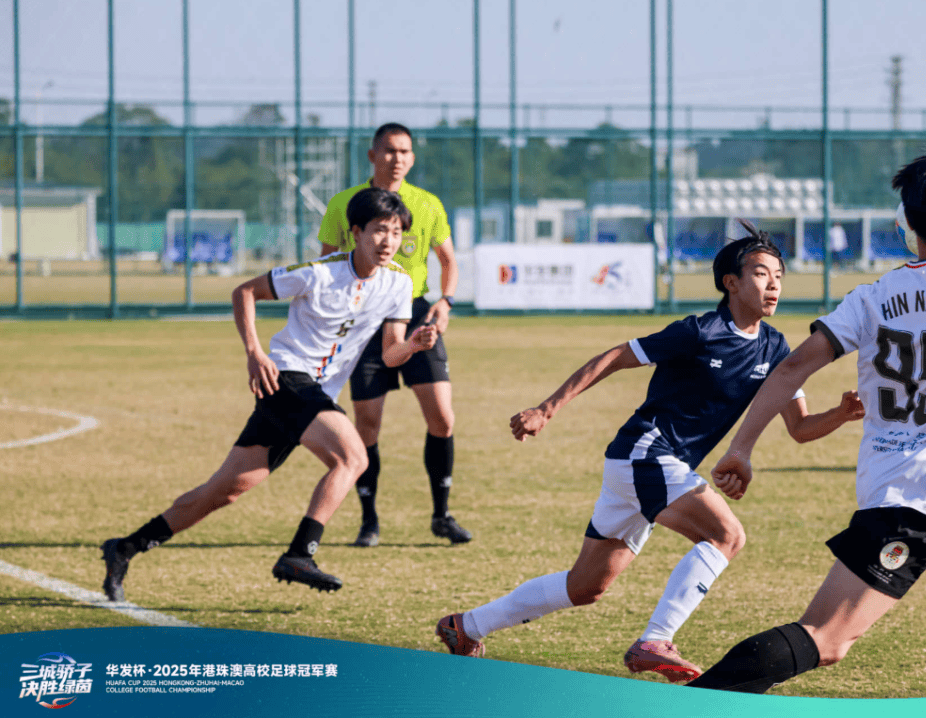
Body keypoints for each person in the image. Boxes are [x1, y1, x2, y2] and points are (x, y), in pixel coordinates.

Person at [688, 146, 926, 694]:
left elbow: (792, 367)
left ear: (907, 222)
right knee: (825, 639)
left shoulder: (873, 295)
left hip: (924, 491)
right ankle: (693, 704)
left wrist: (742, 448)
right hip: (918, 502)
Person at [435, 223, 865, 682]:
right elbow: (616, 356)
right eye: (761, 274)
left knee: (585, 586)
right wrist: (547, 408)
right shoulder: (699, 331)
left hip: (649, 467)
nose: (774, 284)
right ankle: (655, 641)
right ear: (731, 283)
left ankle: (465, 626)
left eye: (778, 275)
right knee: (726, 536)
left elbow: (800, 428)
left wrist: (841, 414)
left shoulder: (776, 346)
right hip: (644, 452)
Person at [100, 188, 437, 601]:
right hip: (286, 378)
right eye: (379, 230)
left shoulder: (399, 283)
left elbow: (389, 354)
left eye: (397, 232)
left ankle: (124, 548)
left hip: (314, 393)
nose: (389, 241)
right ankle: (299, 554)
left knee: (224, 490)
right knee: (353, 457)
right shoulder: (319, 273)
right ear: (356, 232)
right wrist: (254, 354)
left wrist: (414, 345)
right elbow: (244, 292)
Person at [319, 122, 470, 548]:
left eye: (404, 151)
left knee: (442, 417)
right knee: (367, 425)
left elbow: (448, 261)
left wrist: (446, 302)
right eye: (389, 150)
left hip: (417, 314)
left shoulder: (427, 204)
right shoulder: (344, 203)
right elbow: (327, 263)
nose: (397, 158)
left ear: (412, 158)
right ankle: (369, 520)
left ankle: (441, 515)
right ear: (372, 155)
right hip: (365, 318)